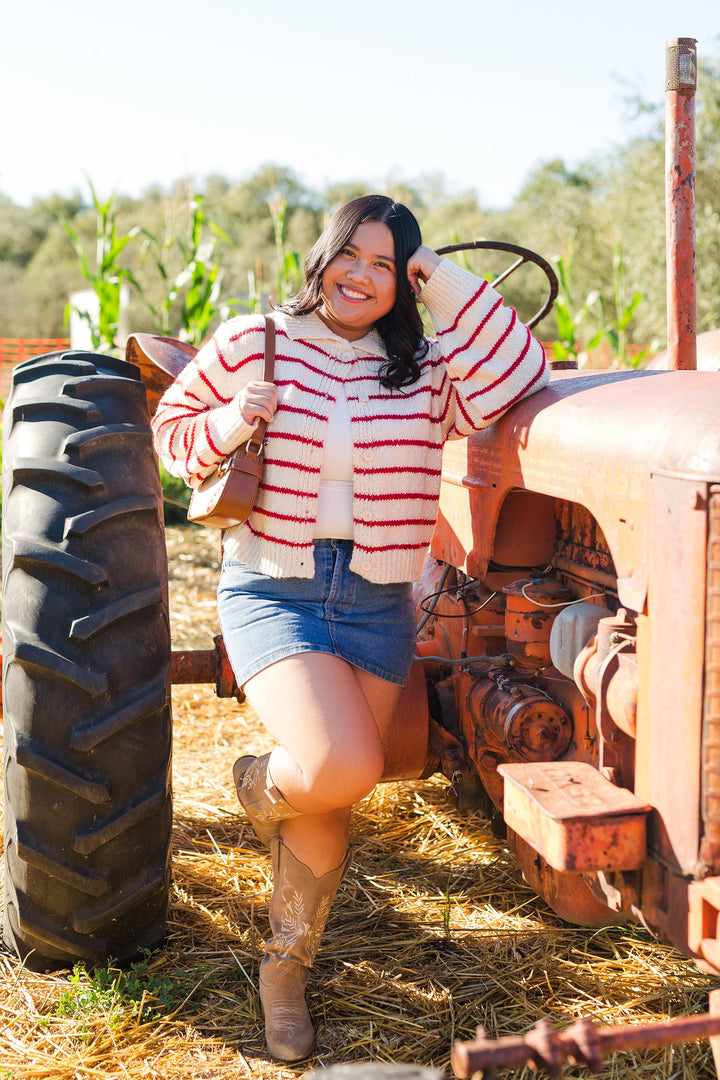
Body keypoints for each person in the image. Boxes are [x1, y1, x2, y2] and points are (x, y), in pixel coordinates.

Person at [151, 194, 549, 1061]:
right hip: (275, 588)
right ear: (323, 254)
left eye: (387, 265)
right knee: (340, 765)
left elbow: (520, 371)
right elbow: (170, 436)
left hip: (377, 599)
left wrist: (436, 274)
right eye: (352, 255)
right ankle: (259, 784)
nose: (362, 277)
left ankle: (283, 972)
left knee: (332, 793)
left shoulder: (426, 367)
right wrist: (228, 421)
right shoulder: (254, 338)